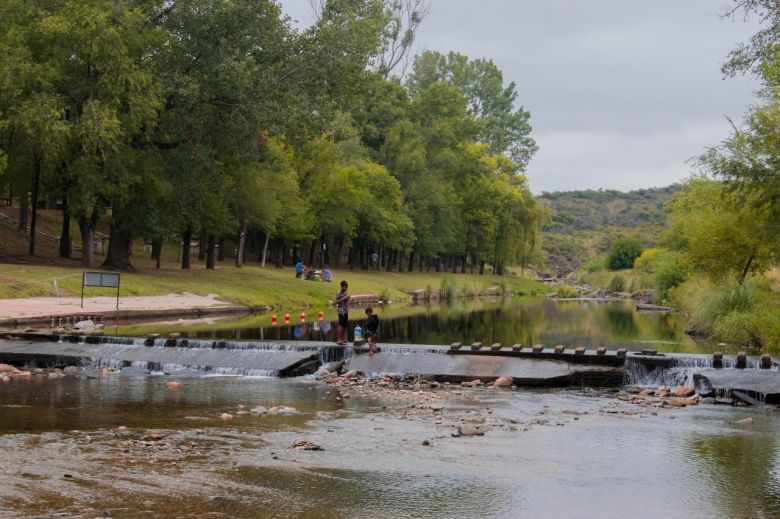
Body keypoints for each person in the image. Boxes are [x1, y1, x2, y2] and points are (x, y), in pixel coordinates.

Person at [335, 280, 350, 345]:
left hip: (345, 310)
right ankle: (339, 340)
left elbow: (344, 301)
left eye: (347, 287)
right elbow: (337, 301)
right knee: (340, 325)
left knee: (344, 325)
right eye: (345, 287)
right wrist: (345, 298)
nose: (346, 288)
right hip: (341, 311)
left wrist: (347, 299)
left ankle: (343, 339)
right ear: (342, 286)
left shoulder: (345, 293)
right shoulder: (339, 292)